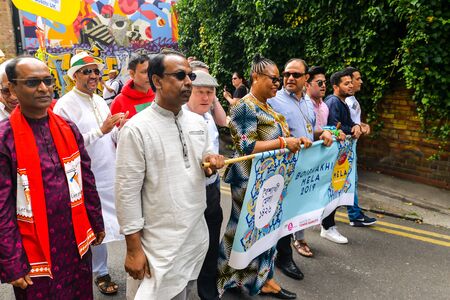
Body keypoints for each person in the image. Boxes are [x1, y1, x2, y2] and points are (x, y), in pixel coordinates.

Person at [115, 50, 225, 300]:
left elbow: (204, 159)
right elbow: (127, 192)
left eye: (190, 75)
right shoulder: (137, 129)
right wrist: (133, 249)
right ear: (157, 81)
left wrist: (210, 161)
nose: (189, 82)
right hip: (157, 245)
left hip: (194, 238)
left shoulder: (198, 123)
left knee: (184, 292)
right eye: (179, 75)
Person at [0, 56, 105, 299]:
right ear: (13, 88)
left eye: (47, 81)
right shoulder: (5, 139)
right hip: (33, 252)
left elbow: (85, 177)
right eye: (32, 82)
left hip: (74, 242)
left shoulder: (67, 128)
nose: (44, 88)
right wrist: (11, 262)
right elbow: (2, 207)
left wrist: (96, 220)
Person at [218, 54, 310, 299]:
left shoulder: (269, 107)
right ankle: (231, 281)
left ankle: (264, 279)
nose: (277, 84)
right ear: (256, 76)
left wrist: (295, 140)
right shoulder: (243, 106)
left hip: (271, 181)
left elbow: (282, 140)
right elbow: (246, 145)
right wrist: (282, 141)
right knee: (242, 230)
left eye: (278, 80)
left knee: (267, 232)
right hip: (248, 180)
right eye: (273, 78)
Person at [53, 51, 127, 295]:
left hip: (111, 171)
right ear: (75, 76)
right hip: (86, 176)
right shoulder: (64, 106)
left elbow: (109, 137)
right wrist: (101, 130)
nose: (94, 76)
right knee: (96, 227)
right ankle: (101, 272)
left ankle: (137, 258)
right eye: (87, 72)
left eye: (96, 71)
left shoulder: (97, 100)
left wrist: (120, 129)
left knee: (126, 218)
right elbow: (64, 146)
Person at [268, 61, 334, 277]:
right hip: (281, 169)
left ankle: (280, 255)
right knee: (282, 214)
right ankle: (283, 258)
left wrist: (321, 133)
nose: (289, 78)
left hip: (304, 168)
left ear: (306, 78)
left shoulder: (307, 102)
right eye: (286, 74)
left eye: (296, 74)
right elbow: (266, 134)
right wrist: (288, 141)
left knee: (294, 212)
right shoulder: (273, 100)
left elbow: (309, 129)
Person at [182, 70, 223, 300]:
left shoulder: (208, 118)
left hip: (212, 189)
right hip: (190, 194)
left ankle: (208, 293)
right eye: (200, 92)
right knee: (189, 248)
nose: (206, 98)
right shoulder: (181, 119)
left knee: (211, 246)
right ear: (189, 92)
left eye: (210, 92)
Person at [321, 70, 363, 244]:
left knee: (337, 191)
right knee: (332, 191)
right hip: (332, 156)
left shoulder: (342, 102)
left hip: (340, 157)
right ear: (335, 86)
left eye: (350, 82)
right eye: (346, 83)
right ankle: (327, 227)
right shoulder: (333, 102)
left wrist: (356, 127)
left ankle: (327, 225)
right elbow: (332, 128)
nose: (351, 85)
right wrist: (350, 129)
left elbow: (347, 124)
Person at [344, 66, 376, 227]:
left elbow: (353, 122)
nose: (360, 81)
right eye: (357, 79)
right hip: (346, 147)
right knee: (351, 180)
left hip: (351, 146)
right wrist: (356, 128)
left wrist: (362, 124)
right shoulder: (347, 102)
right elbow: (343, 124)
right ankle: (355, 215)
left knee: (349, 180)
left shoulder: (352, 100)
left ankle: (354, 213)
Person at [110, 54, 155, 119]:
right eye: (144, 72)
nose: (149, 76)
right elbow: (114, 128)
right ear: (132, 74)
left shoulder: (160, 96)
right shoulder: (119, 102)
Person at [189, 60, 228, 127]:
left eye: (207, 77)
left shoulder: (209, 97)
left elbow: (223, 122)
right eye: (201, 76)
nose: (206, 81)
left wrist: (213, 97)